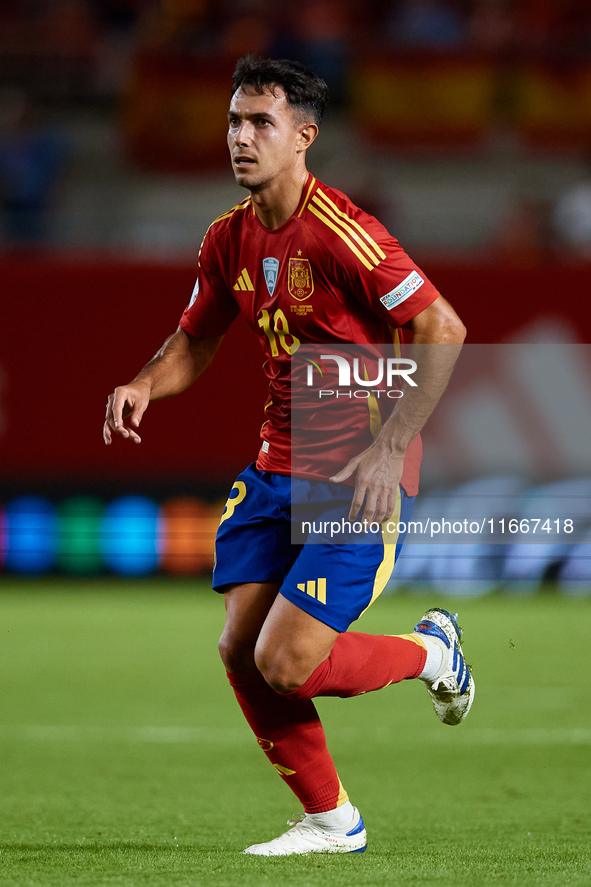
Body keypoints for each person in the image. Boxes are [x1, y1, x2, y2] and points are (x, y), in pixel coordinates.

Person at [103, 55, 474, 857]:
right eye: (234, 120)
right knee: (241, 648)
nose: (240, 136)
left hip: (354, 475)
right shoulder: (226, 237)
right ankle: (332, 820)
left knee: (284, 659)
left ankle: (429, 653)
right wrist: (143, 383)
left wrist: (392, 446)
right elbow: (195, 339)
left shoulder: (344, 232)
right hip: (275, 466)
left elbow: (442, 326)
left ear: (303, 137)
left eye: (259, 122)